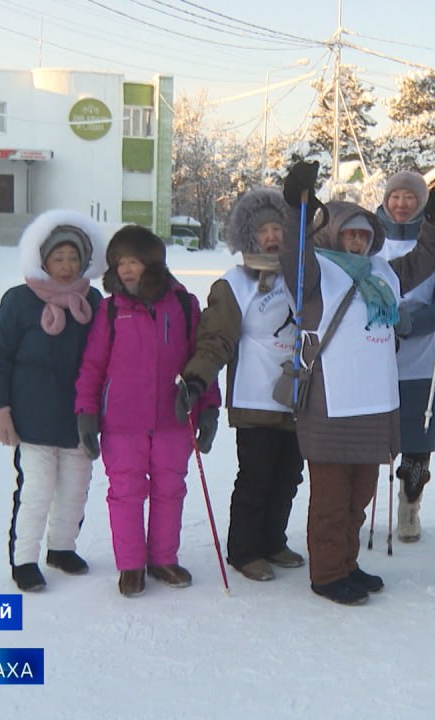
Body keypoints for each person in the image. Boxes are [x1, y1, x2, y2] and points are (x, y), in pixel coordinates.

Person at [277, 161, 435, 606]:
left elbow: (423, 262)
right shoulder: (314, 273)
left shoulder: (381, 272)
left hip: (375, 401)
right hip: (332, 400)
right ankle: (328, 573)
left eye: (364, 236)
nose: (357, 241)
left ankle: (346, 562)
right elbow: (292, 253)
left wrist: (434, 222)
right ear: (332, 235)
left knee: (360, 493)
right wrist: (296, 209)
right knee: (331, 496)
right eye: (349, 234)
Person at [74, 225, 221, 597]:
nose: (126, 269)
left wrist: (208, 407)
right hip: (122, 422)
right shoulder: (110, 311)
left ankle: (162, 559)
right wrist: (86, 412)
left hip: (173, 418)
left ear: (152, 263)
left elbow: (201, 359)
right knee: (126, 491)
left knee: (170, 489)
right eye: (120, 262)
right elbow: (93, 365)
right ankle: (130, 565)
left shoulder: (184, 305)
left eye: (134, 261)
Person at [181, 187, 306, 582]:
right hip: (256, 395)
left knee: (288, 476)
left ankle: (273, 540)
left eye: (278, 229)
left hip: (298, 395)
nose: (272, 237)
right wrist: (197, 378)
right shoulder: (234, 284)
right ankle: (245, 550)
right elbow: (215, 338)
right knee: (257, 477)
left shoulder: (302, 277)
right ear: (248, 236)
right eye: (263, 230)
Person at [0, 210, 105, 592]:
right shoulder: (19, 301)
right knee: (36, 492)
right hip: (32, 418)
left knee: (75, 489)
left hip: (77, 418)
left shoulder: (94, 301)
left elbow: (106, 358)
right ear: (43, 260)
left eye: (73, 258)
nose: (66, 267)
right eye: (58, 258)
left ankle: (62, 548)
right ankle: (24, 560)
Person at [374, 171, 435, 543]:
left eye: (410, 197)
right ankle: (357, 504)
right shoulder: (368, 238)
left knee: (418, 436)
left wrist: (411, 323)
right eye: (395, 196)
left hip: (421, 357)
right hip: (374, 354)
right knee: (369, 435)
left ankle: (409, 506)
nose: (401, 204)